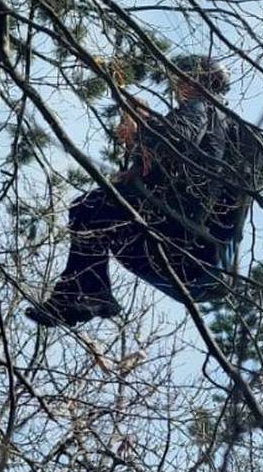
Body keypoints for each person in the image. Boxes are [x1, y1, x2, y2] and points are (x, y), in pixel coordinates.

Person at [26, 56, 250, 327]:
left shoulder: (201, 108)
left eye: (181, 78)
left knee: (90, 207)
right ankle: (86, 294)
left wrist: (140, 127)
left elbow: (174, 141)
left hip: (180, 240)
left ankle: (87, 292)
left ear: (193, 79)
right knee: (98, 209)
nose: (176, 84)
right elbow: (175, 167)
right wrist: (138, 151)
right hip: (192, 262)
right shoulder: (225, 132)